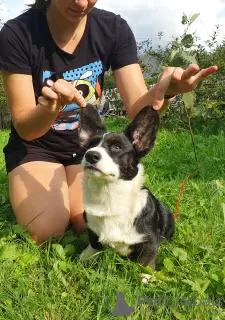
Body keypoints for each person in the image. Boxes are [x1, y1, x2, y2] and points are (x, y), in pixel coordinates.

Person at [0, 0, 218, 244]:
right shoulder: (17, 33)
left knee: (86, 222)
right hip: (36, 147)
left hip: (89, 149)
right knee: (45, 231)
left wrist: (166, 91)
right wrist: (48, 108)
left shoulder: (113, 29)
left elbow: (137, 108)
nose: (81, 2)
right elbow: (25, 128)